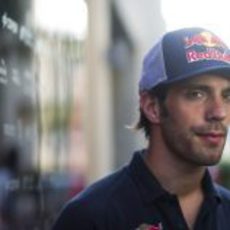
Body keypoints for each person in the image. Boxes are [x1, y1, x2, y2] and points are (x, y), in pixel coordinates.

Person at [52, 27, 230, 230]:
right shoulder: (90, 217)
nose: (219, 112)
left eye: (227, 96)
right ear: (152, 107)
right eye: (197, 94)